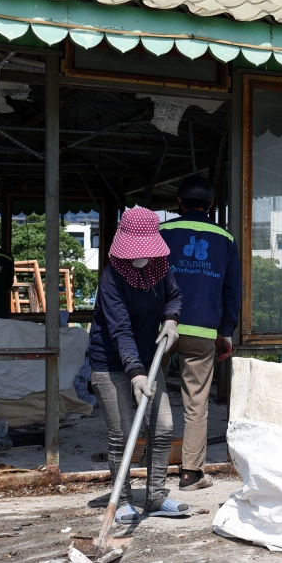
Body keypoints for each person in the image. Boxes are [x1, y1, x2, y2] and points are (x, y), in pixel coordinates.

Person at [88, 207, 187, 523]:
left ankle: (156, 497)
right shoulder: (112, 277)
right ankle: (124, 501)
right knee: (122, 431)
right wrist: (135, 374)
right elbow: (120, 330)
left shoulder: (161, 267)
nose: (141, 257)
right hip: (112, 363)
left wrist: (171, 320)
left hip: (148, 358)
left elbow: (174, 297)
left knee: (163, 427)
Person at [159, 177, 241, 491]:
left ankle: (151, 462)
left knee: (150, 391)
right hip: (205, 330)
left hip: (164, 326)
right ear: (210, 205)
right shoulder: (225, 238)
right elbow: (232, 292)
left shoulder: (164, 232)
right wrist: (226, 332)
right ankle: (191, 474)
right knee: (196, 401)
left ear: (179, 202)